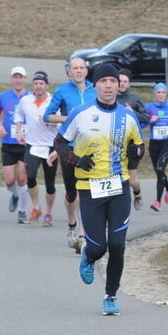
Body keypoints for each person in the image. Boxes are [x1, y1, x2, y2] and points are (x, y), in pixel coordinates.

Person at [55, 63, 144, 315]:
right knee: (98, 247)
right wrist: (75, 159)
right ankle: (89, 255)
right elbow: (60, 141)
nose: (108, 86)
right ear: (96, 86)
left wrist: (135, 153)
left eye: (112, 81)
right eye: (103, 81)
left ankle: (110, 295)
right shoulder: (80, 113)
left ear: (119, 85)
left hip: (118, 186)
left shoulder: (128, 116)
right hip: (89, 187)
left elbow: (139, 147)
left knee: (117, 245)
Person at [44, 57, 96, 252]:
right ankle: (72, 223)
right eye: (75, 68)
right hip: (69, 148)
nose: (79, 71)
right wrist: (70, 117)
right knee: (71, 193)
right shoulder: (62, 91)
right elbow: (47, 116)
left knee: (85, 192)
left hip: (90, 147)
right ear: (69, 72)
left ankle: (82, 236)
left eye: (82, 68)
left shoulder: (94, 89)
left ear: (86, 71)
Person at [14, 71, 59, 225]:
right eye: (36, 83)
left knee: (50, 183)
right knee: (30, 176)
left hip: (50, 146)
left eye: (41, 84)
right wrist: (19, 132)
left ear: (46, 85)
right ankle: (36, 207)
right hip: (32, 145)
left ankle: (49, 213)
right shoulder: (26, 100)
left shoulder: (54, 101)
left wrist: (54, 122)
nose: (39, 86)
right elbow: (18, 115)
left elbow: (63, 120)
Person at [0, 66, 31, 223]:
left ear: (25, 79)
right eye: (15, 77)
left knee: (22, 179)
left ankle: (22, 212)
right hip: (8, 142)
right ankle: (16, 195)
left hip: (26, 143)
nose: (18, 80)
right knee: (10, 181)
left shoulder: (31, 96)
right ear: (11, 80)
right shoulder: (3, 96)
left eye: (21, 77)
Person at [145, 83, 168, 212]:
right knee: (158, 171)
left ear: (166, 94)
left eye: (163, 92)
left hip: (167, 142)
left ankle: (157, 202)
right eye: (158, 92)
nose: (160, 95)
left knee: (160, 168)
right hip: (154, 143)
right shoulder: (149, 107)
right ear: (154, 94)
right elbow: (142, 122)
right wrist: (150, 120)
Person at [116, 68, 150, 209]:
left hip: (133, 144)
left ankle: (137, 193)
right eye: (120, 81)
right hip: (116, 143)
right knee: (117, 178)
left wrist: (133, 112)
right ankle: (119, 205)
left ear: (129, 84)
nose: (122, 84)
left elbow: (147, 118)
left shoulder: (135, 99)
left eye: (125, 81)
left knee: (131, 180)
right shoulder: (110, 98)